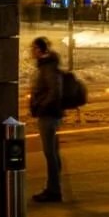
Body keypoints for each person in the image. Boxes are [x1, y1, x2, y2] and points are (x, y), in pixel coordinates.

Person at [27, 37, 66, 203]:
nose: (31, 51)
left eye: (33, 48)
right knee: (52, 153)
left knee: (50, 153)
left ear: (39, 50)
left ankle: (53, 191)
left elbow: (55, 91)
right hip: (50, 114)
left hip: (49, 115)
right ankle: (53, 187)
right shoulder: (46, 65)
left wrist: (41, 106)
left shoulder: (48, 67)